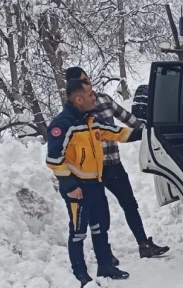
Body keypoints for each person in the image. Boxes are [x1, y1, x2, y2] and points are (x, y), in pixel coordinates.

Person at [46, 79, 145, 287]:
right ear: (78, 99)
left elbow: (117, 132)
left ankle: (105, 266)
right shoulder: (62, 125)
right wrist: (70, 186)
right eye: (91, 95)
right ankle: (80, 274)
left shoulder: (91, 120)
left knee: (101, 226)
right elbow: (54, 160)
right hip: (77, 189)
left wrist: (145, 132)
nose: (95, 98)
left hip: (96, 183)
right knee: (78, 231)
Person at [64, 67, 169, 262]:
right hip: (91, 172)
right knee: (99, 212)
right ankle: (105, 254)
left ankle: (144, 244)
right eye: (84, 81)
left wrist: (148, 132)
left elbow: (127, 119)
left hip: (113, 165)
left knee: (130, 204)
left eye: (88, 79)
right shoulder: (72, 116)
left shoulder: (103, 99)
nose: (89, 84)